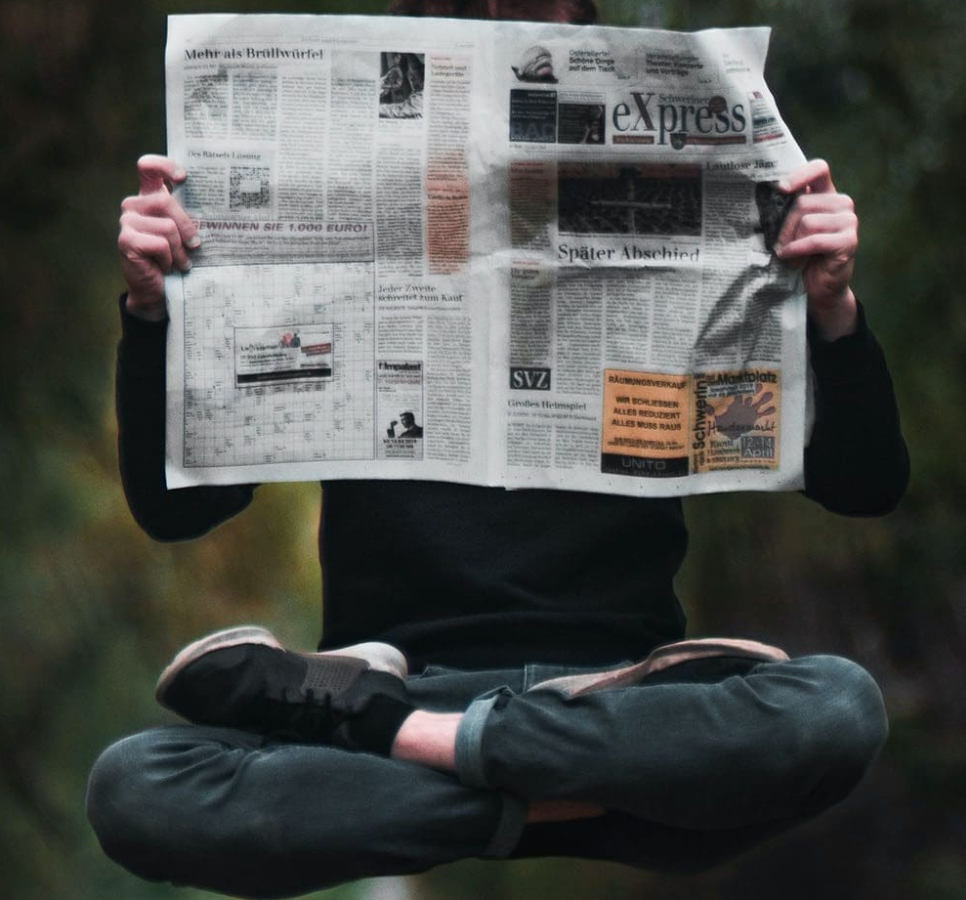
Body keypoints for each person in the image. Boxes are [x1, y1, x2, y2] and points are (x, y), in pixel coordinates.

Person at [88, 2, 908, 897]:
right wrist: (154, 313)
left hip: (613, 703)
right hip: (533, 738)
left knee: (839, 710)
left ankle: (427, 749)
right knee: (132, 789)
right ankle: (517, 779)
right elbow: (176, 512)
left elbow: (865, 484)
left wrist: (830, 308)